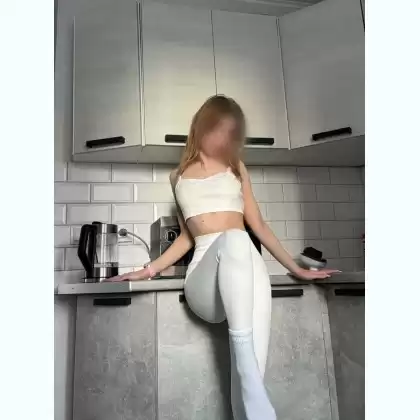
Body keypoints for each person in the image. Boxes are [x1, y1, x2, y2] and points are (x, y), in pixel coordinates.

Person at [108, 95, 339, 419]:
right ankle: (246, 367)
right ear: (201, 127)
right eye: (219, 130)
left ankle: (248, 381)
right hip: (205, 281)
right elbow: (188, 237)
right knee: (235, 238)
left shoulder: (237, 168)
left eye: (231, 133)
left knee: (251, 386)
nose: (224, 139)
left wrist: (297, 269)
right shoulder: (178, 176)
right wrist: (148, 270)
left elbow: (258, 225)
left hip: (246, 270)